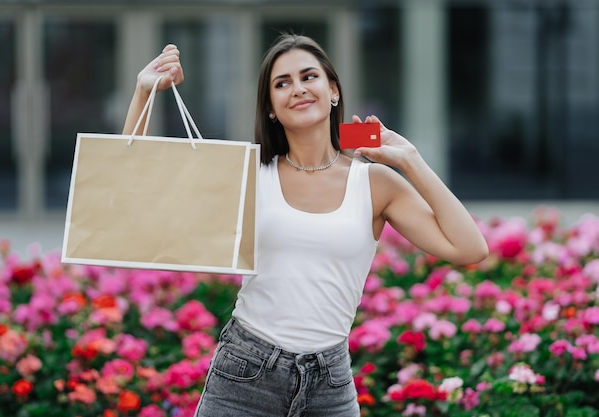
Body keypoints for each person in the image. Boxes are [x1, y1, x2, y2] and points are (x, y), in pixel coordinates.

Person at [122, 34, 489, 417]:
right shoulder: (250, 174)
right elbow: (139, 190)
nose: (297, 89)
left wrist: (411, 160)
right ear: (270, 109)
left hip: (329, 384)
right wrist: (144, 93)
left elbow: (470, 248)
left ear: (333, 91)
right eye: (282, 83)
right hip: (245, 375)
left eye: (308, 76)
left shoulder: (376, 183)